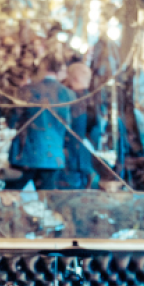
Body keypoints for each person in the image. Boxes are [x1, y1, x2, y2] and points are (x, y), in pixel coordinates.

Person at [7, 55, 73, 191]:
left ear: (44, 67)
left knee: (11, 195)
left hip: (25, 154)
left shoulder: (27, 90)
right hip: (53, 155)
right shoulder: (68, 94)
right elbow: (69, 127)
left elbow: (13, 120)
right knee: (46, 200)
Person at [61, 60, 102, 190]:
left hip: (67, 159)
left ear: (74, 78)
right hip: (85, 160)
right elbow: (96, 132)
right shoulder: (93, 101)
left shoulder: (66, 99)